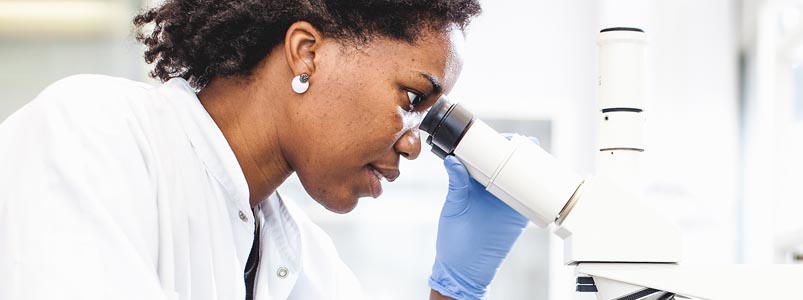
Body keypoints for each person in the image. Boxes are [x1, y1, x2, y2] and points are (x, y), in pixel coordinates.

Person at [0, 1, 527, 299]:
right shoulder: (92, 133)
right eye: (413, 98)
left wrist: (452, 291)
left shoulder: (299, 253)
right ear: (307, 54)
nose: (414, 143)